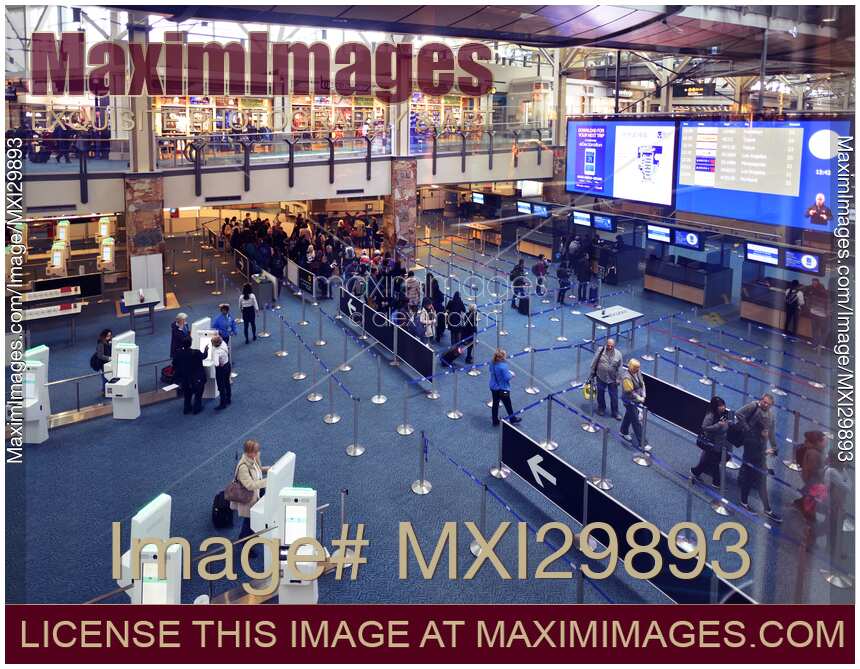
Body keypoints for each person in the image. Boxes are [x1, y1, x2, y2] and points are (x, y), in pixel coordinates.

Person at [737, 401, 782, 523]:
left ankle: (766, 508)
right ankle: (745, 503)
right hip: (752, 462)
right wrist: (767, 452)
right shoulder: (752, 438)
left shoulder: (761, 437)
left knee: (759, 484)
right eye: (766, 431)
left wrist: (772, 448)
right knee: (749, 481)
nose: (767, 433)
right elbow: (753, 454)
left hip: (759, 463)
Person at [230, 439, 269, 558]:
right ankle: (245, 543)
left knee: (254, 520)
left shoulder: (254, 458)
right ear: (249, 452)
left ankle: (248, 536)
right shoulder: (243, 467)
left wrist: (269, 469)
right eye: (256, 451)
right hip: (248, 499)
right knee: (249, 522)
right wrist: (268, 481)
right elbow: (250, 485)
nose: (258, 453)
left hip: (256, 494)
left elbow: (257, 470)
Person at [691, 396, 730, 488]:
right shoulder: (710, 416)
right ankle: (716, 482)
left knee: (708, 460)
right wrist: (718, 425)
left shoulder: (722, 414)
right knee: (714, 461)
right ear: (715, 406)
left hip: (719, 443)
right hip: (712, 443)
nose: (723, 407)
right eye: (720, 406)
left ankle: (695, 471)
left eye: (723, 405)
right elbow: (704, 427)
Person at [792, 430, 827, 524]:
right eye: (823, 440)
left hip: (811, 480)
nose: (826, 442)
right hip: (813, 480)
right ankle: (804, 509)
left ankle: (802, 504)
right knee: (812, 496)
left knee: (810, 496)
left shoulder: (813, 451)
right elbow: (813, 470)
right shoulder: (813, 453)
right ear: (817, 442)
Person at [172, 336, 207, 414]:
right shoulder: (196, 352)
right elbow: (204, 356)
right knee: (198, 394)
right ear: (190, 343)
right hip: (196, 378)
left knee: (187, 395)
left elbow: (174, 364)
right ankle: (196, 408)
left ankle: (187, 408)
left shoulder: (178, 353)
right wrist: (206, 350)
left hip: (185, 379)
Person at [590, 338, 623, 419]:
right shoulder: (600, 350)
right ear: (606, 344)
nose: (610, 347)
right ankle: (601, 408)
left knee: (614, 397)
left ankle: (615, 412)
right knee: (600, 394)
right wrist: (592, 373)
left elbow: (620, 368)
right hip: (600, 376)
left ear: (614, 346)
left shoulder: (618, 354)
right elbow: (594, 361)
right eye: (608, 345)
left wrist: (619, 379)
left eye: (612, 346)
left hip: (612, 379)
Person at [489, 349, 521, 426]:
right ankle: (512, 419)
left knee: (495, 404)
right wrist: (512, 374)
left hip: (493, 386)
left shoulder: (492, 363)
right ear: (502, 357)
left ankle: (495, 420)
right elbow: (507, 378)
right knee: (508, 404)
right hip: (502, 388)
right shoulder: (503, 366)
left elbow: (491, 370)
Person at [620, 358, 646, 449]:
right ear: (630, 367)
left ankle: (623, 431)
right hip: (629, 400)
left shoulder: (638, 371)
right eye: (635, 368)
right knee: (636, 421)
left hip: (638, 399)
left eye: (638, 367)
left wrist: (644, 394)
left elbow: (642, 383)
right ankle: (642, 444)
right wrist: (639, 398)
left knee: (629, 415)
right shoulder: (626, 377)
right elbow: (630, 392)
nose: (637, 369)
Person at [211, 334, 232, 410]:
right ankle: (228, 398)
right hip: (227, 365)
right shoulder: (223, 344)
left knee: (221, 386)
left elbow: (216, 364)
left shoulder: (216, 352)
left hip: (221, 369)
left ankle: (223, 403)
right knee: (227, 383)